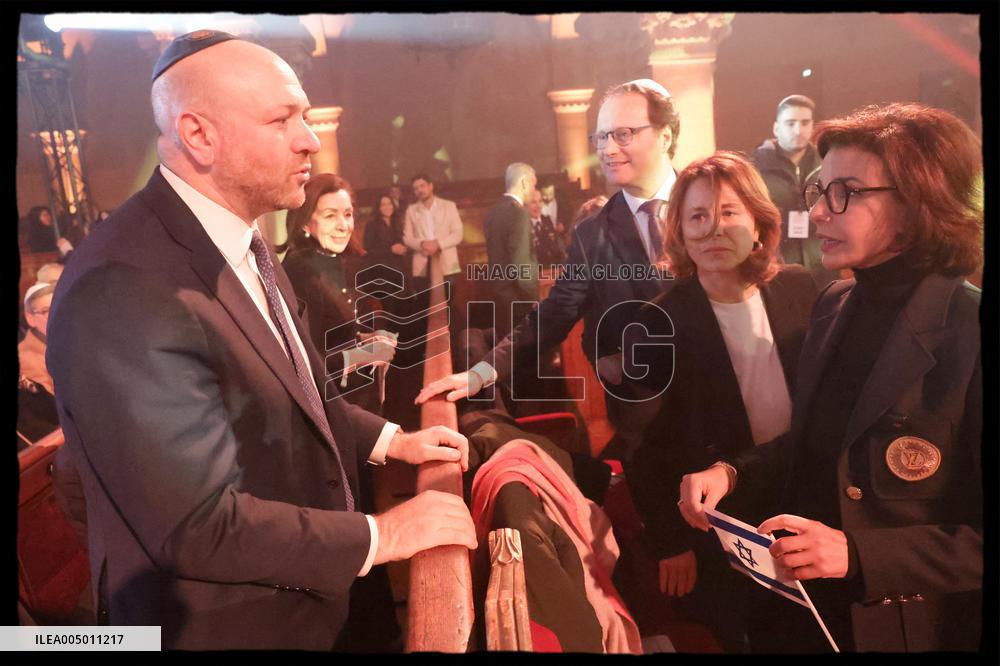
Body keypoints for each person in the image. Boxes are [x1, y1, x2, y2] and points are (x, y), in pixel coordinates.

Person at [46, 31, 476, 650]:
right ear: (199, 135)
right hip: (231, 624)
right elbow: (195, 525)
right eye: (283, 120)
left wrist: (392, 440)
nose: (310, 139)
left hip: (314, 595)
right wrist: (384, 535)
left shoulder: (242, 236)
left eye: (304, 116)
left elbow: (296, 386)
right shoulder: (121, 286)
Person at [678, 102, 982, 652]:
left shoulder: (970, 329)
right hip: (803, 611)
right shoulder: (835, 302)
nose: (818, 212)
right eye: (820, 190)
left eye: (846, 192)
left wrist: (859, 555)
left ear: (920, 202)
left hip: (905, 626)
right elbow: (821, 446)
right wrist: (731, 473)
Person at [416, 78, 679, 463]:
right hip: (647, 422)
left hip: (726, 404)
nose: (608, 149)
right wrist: (481, 372)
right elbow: (551, 317)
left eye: (623, 134)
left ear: (666, 135)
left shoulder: (713, 199)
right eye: (601, 137)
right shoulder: (593, 233)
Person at [624, 151, 818, 652]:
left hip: (807, 497)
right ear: (681, 234)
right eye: (697, 216)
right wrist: (670, 543)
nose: (713, 229)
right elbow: (642, 444)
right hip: (720, 519)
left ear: (758, 223)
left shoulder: (803, 289)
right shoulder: (654, 320)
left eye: (728, 212)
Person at [280, 173, 397, 413]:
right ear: (304, 221)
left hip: (355, 400)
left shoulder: (332, 257)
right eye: (330, 216)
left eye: (347, 214)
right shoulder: (300, 269)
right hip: (333, 410)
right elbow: (303, 363)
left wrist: (367, 338)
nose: (343, 225)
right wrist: (365, 354)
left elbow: (334, 333)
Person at [750, 95, 836, 287]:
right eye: (790, 123)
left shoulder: (828, 163)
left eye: (805, 123)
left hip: (822, 267)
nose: (798, 130)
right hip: (775, 270)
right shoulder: (756, 168)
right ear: (776, 128)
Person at [482, 162, 539, 337]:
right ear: (523, 182)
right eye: (533, 184)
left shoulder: (493, 212)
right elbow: (521, 263)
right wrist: (533, 297)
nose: (533, 189)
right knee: (526, 360)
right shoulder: (518, 213)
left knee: (507, 356)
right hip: (518, 302)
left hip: (500, 300)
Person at [401, 173, 464, 286]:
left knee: (448, 300)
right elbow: (407, 238)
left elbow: (458, 234)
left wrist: (438, 244)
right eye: (416, 188)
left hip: (447, 264)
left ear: (431, 186)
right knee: (424, 302)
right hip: (422, 263)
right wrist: (422, 244)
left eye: (422, 186)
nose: (419, 190)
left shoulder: (449, 206)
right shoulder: (411, 210)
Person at [18, 282, 59, 444]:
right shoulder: (25, 357)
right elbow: (52, 409)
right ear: (30, 318)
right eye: (46, 311)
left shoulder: (65, 341)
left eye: (57, 306)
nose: (55, 314)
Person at [362, 192, 408, 285]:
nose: (387, 207)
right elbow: (368, 247)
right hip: (380, 268)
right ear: (378, 208)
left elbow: (403, 240)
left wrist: (404, 248)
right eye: (383, 205)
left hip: (399, 267)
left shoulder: (398, 221)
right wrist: (390, 249)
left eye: (389, 204)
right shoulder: (372, 224)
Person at [527, 188, 567, 268]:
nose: (538, 206)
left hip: (553, 271)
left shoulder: (547, 220)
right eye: (533, 202)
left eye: (540, 201)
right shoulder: (523, 226)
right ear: (525, 205)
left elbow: (558, 248)